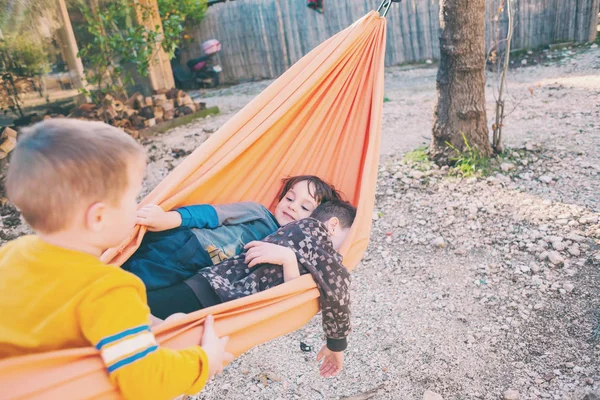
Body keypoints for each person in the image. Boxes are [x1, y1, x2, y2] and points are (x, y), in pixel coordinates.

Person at [0, 119, 232, 400]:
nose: (138, 206)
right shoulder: (108, 288)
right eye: (133, 198)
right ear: (98, 217)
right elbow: (145, 380)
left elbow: (66, 310)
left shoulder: (11, 253)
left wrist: (154, 323)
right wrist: (205, 361)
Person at [148, 199, 357, 378]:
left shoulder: (294, 233)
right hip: (217, 295)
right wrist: (336, 345)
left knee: (160, 327)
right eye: (344, 241)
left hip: (210, 286)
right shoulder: (317, 237)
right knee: (146, 315)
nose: (339, 252)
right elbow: (337, 290)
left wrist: (289, 261)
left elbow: (288, 293)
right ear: (332, 225)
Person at [122, 175, 341, 292]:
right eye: (290, 198)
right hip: (188, 245)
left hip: (198, 271)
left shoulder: (289, 250)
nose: (292, 207)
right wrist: (169, 219)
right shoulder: (258, 213)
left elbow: (289, 290)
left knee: (144, 290)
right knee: (132, 275)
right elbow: (213, 214)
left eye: (304, 207)